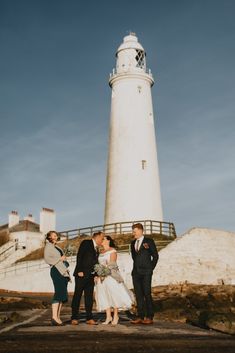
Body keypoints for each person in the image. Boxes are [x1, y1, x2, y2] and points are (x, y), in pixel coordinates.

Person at [95, 236, 134, 325]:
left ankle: (115, 315)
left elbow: (112, 265)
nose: (102, 240)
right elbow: (99, 265)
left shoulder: (112, 251)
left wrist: (104, 273)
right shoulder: (100, 252)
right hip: (101, 277)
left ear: (108, 241)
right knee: (104, 296)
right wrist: (98, 274)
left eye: (103, 239)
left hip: (111, 276)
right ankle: (108, 316)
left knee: (114, 295)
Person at [71, 231, 104, 325]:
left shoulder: (97, 248)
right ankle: (74, 317)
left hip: (91, 275)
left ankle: (89, 318)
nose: (102, 240)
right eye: (102, 238)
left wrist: (97, 274)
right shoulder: (86, 243)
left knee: (89, 297)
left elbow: (95, 262)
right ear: (97, 237)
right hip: (81, 274)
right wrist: (79, 270)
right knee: (77, 295)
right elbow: (80, 256)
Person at [130, 223, 159, 325]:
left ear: (141, 230)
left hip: (146, 272)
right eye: (133, 231)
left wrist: (151, 268)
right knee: (138, 295)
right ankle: (140, 316)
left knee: (147, 293)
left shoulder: (149, 241)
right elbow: (134, 257)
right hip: (136, 272)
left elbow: (155, 256)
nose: (133, 233)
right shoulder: (132, 243)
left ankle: (150, 316)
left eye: (135, 231)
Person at [44, 230, 71, 326]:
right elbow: (47, 259)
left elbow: (62, 259)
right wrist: (60, 259)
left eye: (56, 235)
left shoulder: (57, 247)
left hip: (62, 271)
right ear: (49, 237)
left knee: (62, 294)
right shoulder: (48, 246)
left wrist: (65, 261)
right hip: (56, 271)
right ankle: (54, 317)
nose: (56, 237)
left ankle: (58, 317)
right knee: (58, 293)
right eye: (54, 235)